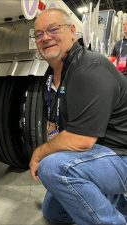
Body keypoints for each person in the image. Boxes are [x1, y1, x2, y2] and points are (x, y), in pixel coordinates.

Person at [29, 8, 127, 225]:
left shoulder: (89, 68)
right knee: (53, 213)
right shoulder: (52, 75)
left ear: (72, 31)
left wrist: (40, 154)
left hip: (120, 154)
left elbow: (81, 140)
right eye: (38, 34)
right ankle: (118, 203)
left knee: (54, 169)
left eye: (53, 29)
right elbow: (54, 122)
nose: (45, 37)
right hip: (99, 152)